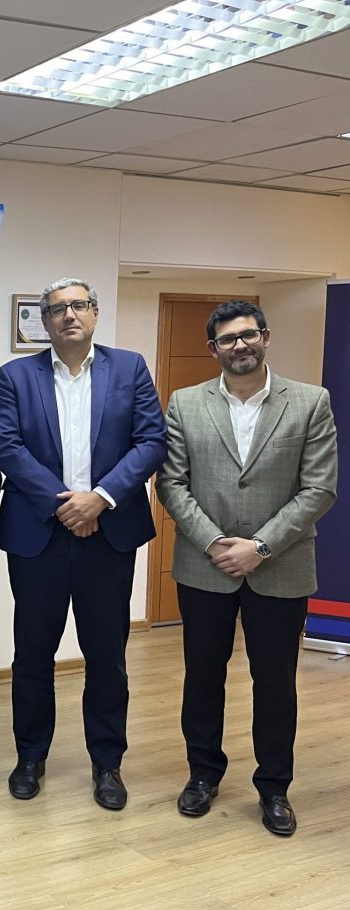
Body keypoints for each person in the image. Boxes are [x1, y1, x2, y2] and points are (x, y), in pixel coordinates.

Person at [156, 300, 336, 836]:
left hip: (280, 567)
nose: (240, 345)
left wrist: (259, 546)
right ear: (213, 348)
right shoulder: (186, 403)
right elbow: (171, 483)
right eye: (228, 339)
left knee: (275, 682)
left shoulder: (310, 401)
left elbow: (319, 488)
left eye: (248, 335)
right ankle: (202, 774)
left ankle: (274, 787)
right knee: (202, 677)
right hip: (204, 566)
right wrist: (215, 543)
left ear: (265, 337)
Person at [0, 277, 166, 810]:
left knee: (107, 655)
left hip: (109, 536)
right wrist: (66, 504)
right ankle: (30, 756)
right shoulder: (16, 376)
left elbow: (151, 441)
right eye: (57, 309)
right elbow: (6, 447)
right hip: (38, 536)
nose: (69, 315)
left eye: (79, 306)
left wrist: (101, 499)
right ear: (43, 322)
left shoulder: (129, 368)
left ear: (94, 313)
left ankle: (107, 763)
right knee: (33, 654)